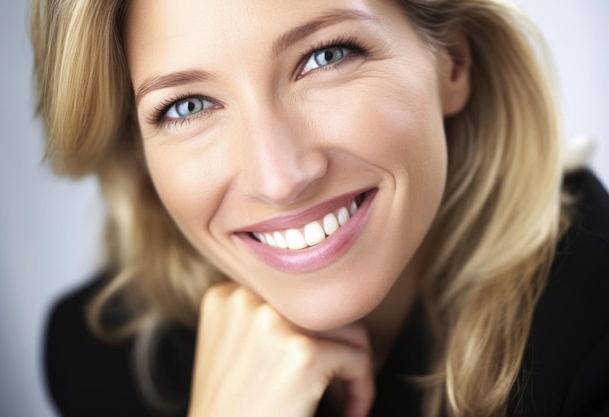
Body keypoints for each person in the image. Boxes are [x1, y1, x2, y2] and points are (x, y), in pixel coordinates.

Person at [31, 0, 609, 416]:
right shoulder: (103, 359)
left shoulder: (591, 341)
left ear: (453, 60)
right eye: (187, 106)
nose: (279, 179)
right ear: (139, 148)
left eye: (326, 56)